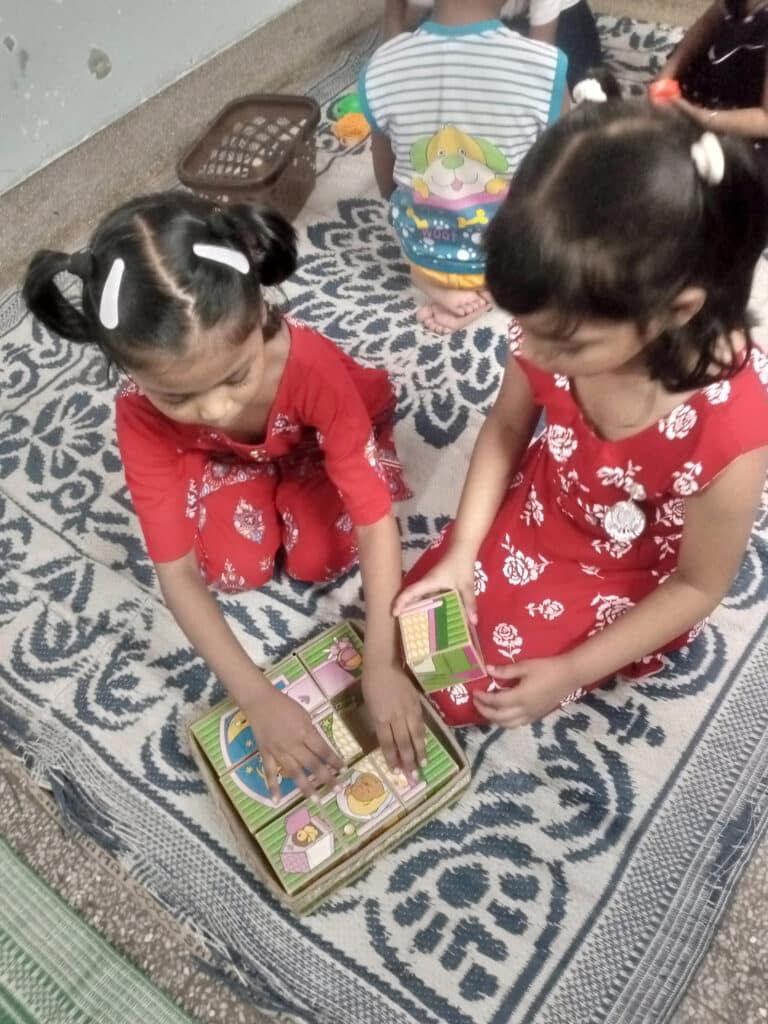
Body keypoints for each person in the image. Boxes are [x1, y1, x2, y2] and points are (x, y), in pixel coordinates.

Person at [23, 192, 426, 792]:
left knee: (323, 554)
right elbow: (178, 572)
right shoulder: (138, 414)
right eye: (178, 396)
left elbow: (374, 522)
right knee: (231, 566)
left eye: (237, 374)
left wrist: (385, 661)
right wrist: (256, 698)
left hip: (312, 445)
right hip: (223, 458)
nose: (214, 406)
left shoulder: (310, 369)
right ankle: (251, 470)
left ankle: (277, 474)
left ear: (262, 314)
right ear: (127, 372)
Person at [394, 99, 768, 728]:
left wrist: (572, 671)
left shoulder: (730, 429)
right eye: (523, 327)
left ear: (675, 311)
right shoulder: (556, 327)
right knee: (421, 618)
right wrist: (462, 551)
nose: (533, 353)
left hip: (636, 565)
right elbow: (508, 426)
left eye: (566, 344)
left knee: (472, 691)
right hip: (550, 502)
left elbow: (698, 587)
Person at [362, 0, 569, 334]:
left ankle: (429, 278)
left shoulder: (385, 62)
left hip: (421, 242)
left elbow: (385, 176)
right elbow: (565, 170)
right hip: (503, 253)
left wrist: (398, 202)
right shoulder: (543, 65)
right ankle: (488, 289)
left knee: (411, 195)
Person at [658, 0, 768, 180]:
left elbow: (765, 120)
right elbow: (706, 25)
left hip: (751, 119)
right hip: (718, 84)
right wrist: (667, 73)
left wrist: (705, 119)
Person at [383, 0, 601, 86]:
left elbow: (542, 55)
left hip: (554, 17)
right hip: (471, 13)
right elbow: (393, 18)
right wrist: (394, 66)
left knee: (579, 86)